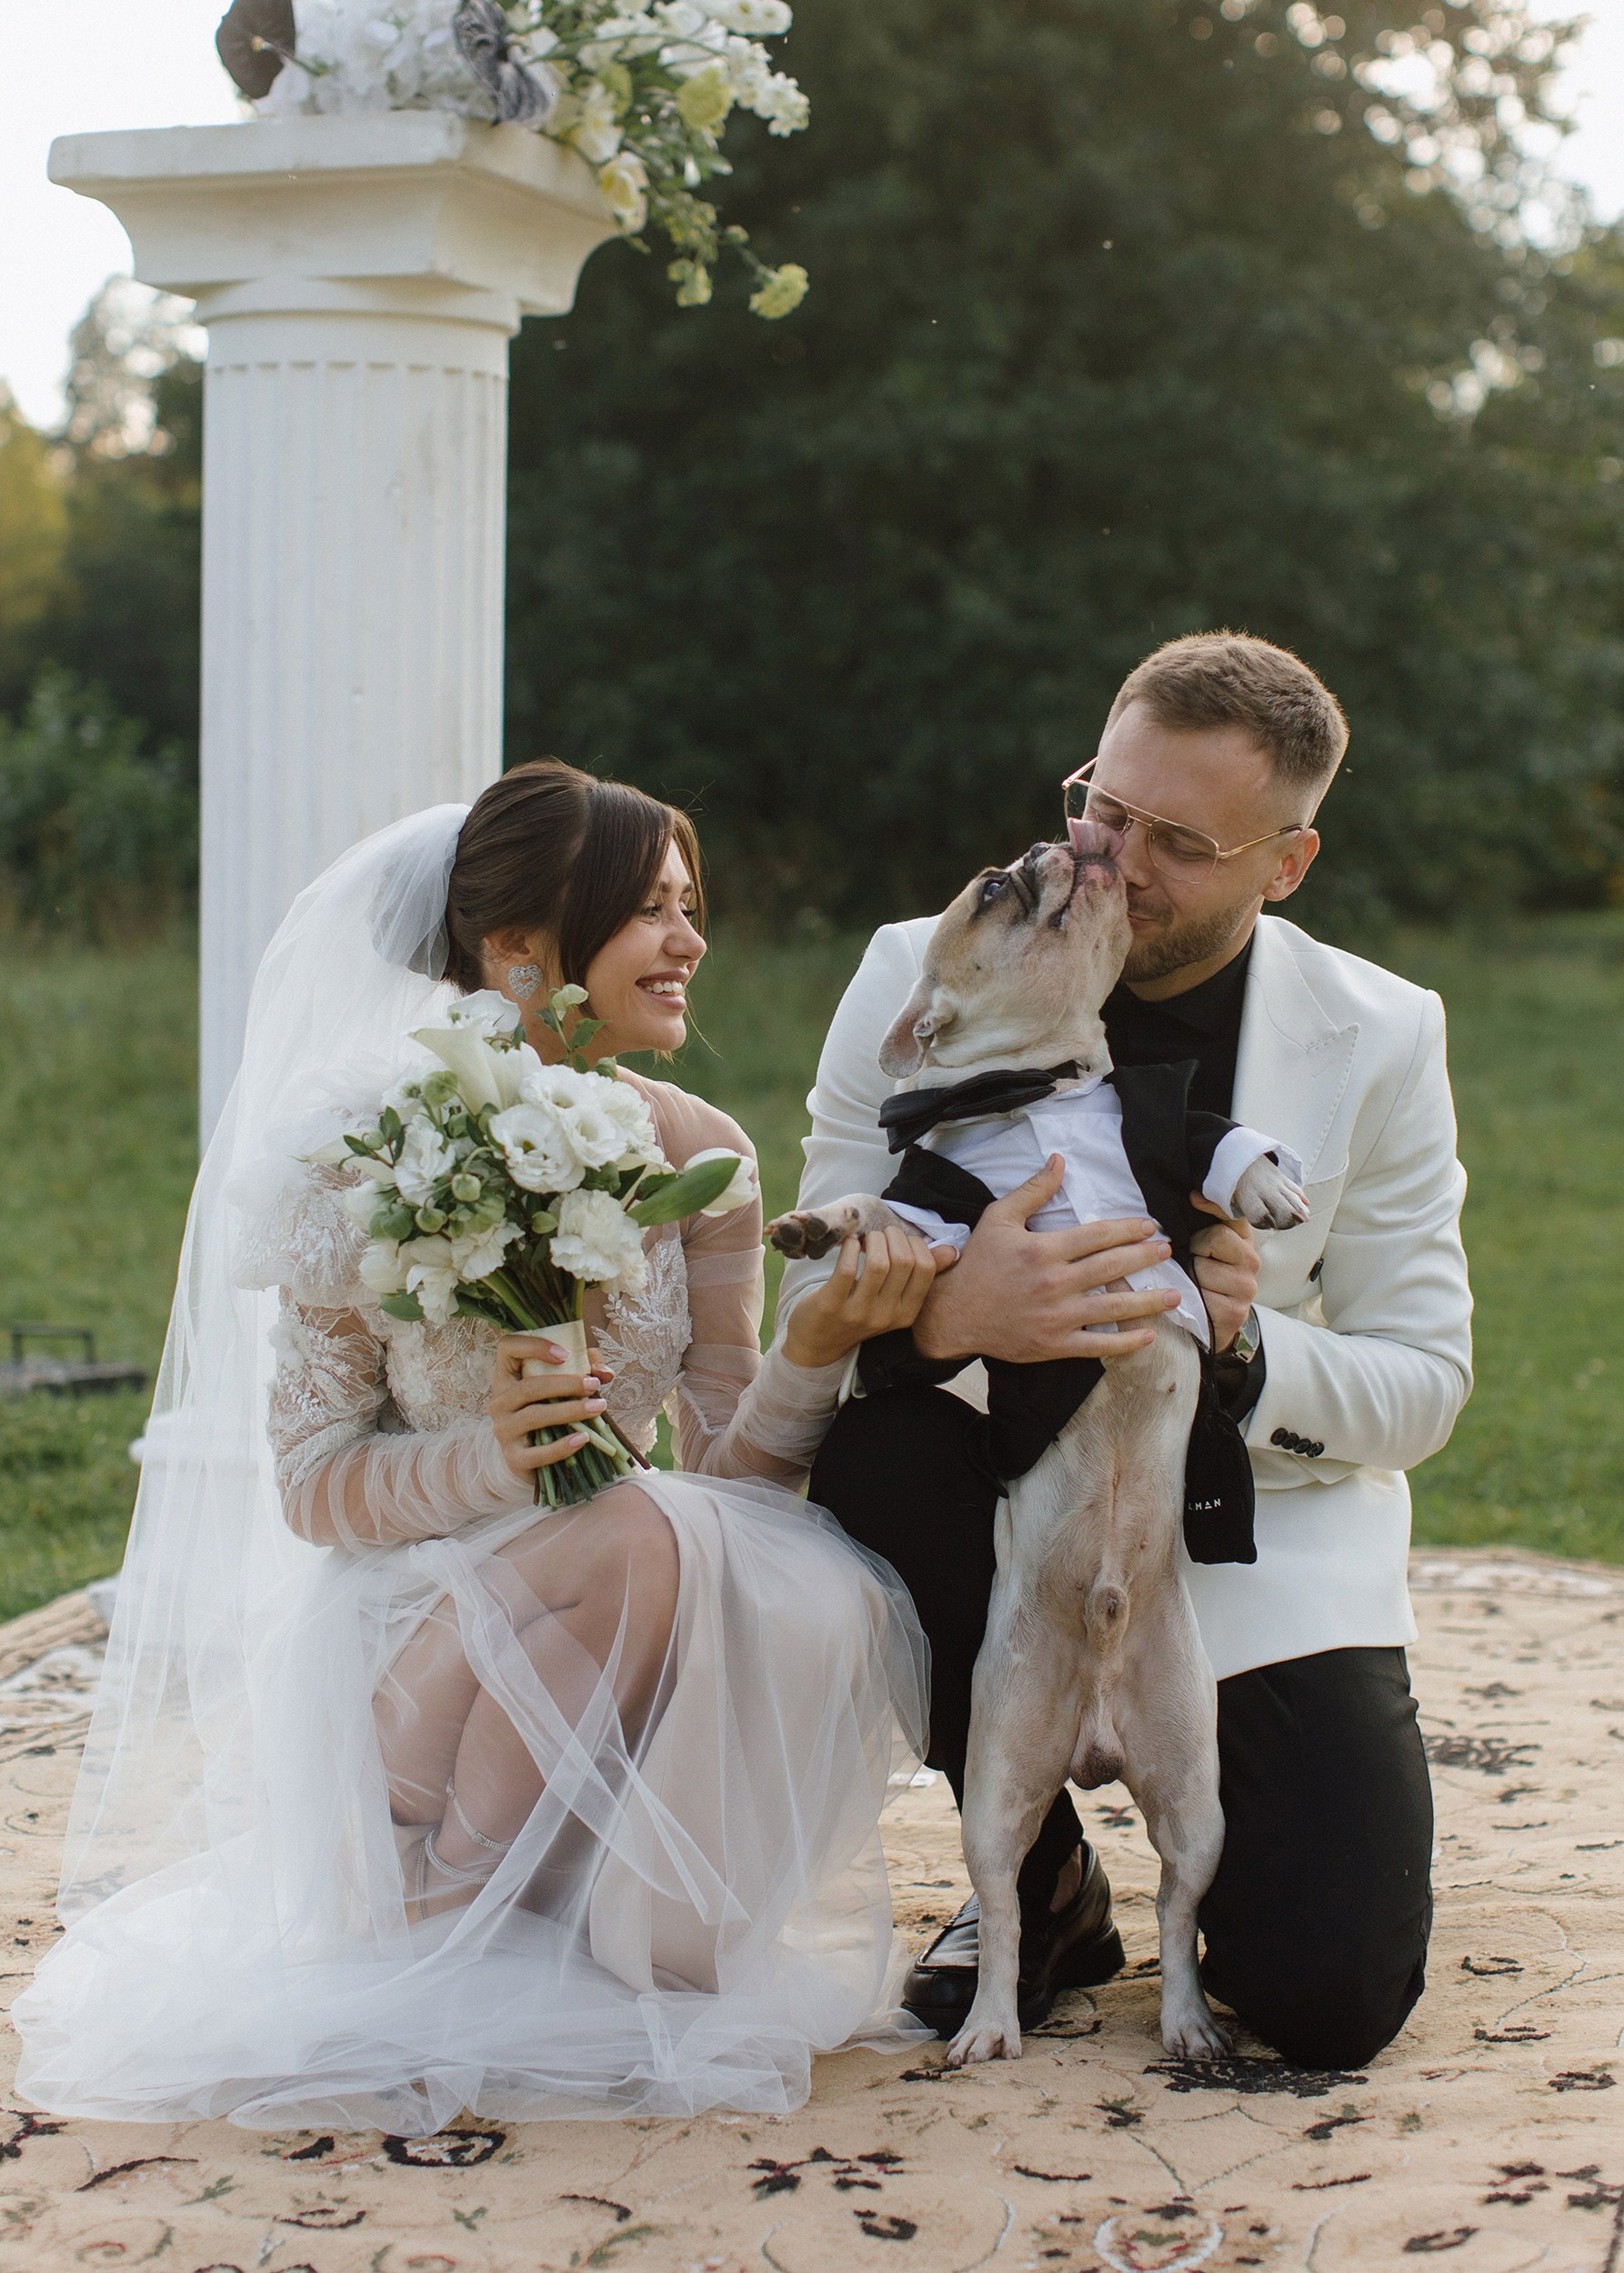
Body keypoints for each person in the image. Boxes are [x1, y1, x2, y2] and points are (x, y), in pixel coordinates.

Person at [15, 762, 951, 2134]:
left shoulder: (700, 1159)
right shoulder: (366, 1155)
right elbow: (313, 1485)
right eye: (649, 913)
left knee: (788, 1581)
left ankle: (591, 1928)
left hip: (616, 1611)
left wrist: (812, 1354)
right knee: (631, 1531)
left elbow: (729, 1486)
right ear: (517, 952)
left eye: (691, 907)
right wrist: (497, 1466)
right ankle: (433, 1928)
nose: (690, 943)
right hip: (410, 1641)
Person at [782, 633, 1472, 2070]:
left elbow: (1423, 1384)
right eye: (1103, 803)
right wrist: (949, 1311)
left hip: (1255, 1535)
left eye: (1179, 842)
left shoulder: (1383, 1034)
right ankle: (1039, 1882)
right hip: (998, 1496)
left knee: (1327, 1998)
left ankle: (1218, 1862)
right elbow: (798, 1312)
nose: (1113, 856)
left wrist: (1238, 1348)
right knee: (870, 1452)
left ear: (1284, 864)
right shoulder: (916, 975)